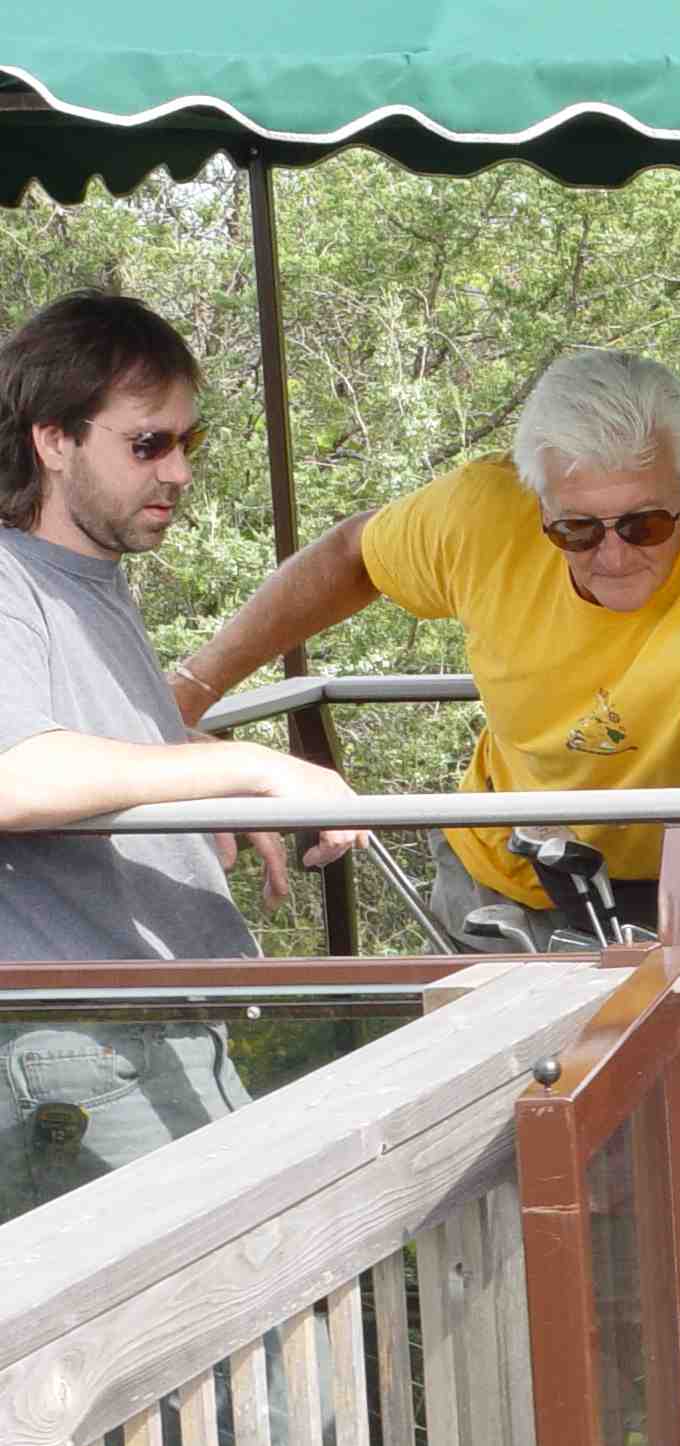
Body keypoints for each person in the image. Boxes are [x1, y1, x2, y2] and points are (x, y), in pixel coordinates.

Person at [172, 349, 680, 954]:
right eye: (575, 529)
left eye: (645, 524)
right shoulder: (484, 517)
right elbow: (353, 556)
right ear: (537, 500)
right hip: (500, 880)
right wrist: (191, 688)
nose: (611, 555)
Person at [0, 290, 364, 1217]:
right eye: (147, 444)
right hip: (83, 1046)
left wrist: (198, 767)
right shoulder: (9, 579)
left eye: (187, 444)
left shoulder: (88, 577)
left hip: (148, 1027)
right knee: (250, 1317)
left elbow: (82, 733)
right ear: (54, 440)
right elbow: (16, 774)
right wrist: (249, 769)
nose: (178, 472)